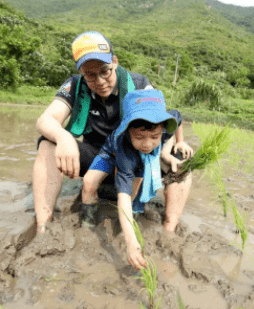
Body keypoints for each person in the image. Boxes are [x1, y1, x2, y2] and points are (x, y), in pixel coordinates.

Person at [33, 31, 154, 233]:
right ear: (81, 72)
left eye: (105, 71)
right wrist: (64, 137)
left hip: (130, 159)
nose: (99, 80)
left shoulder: (140, 85)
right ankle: (43, 226)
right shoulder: (75, 85)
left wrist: (176, 143)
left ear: (114, 62)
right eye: (90, 74)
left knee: (180, 157)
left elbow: (158, 123)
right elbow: (45, 120)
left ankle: (169, 228)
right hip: (95, 158)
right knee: (47, 142)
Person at [82, 89, 193, 270]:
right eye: (139, 137)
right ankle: (86, 223)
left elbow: (177, 117)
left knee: (136, 187)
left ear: (163, 128)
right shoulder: (125, 148)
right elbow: (123, 197)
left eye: (155, 137)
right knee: (89, 182)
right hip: (110, 154)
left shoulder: (163, 126)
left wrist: (179, 141)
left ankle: (131, 219)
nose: (147, 144)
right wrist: (131, 242)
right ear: (127, 131)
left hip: (140, 158)